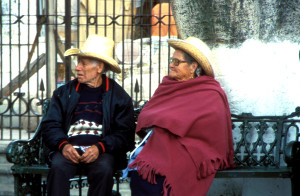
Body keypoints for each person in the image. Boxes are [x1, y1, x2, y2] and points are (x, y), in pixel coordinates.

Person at [128, 37, 235, 196]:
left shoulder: (210, 91)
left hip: (192, 148)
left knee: (161, 177)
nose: (171, 64)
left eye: (177, 62)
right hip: (161, 144)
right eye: (172, 60)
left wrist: (167, 120)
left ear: (193, 67)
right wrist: (167, 121)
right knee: (141, 174)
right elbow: (147, 114)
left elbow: (212, 126)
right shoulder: (167, 86)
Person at [41, 35, 136, 196]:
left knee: (104, 169)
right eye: (78, 63)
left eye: (83, 64)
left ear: (99, 67)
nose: (77, 68)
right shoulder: (64, 93)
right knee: (58, 168)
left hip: (100, 151)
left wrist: (101, 147)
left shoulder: (119, 96)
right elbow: (50, 125)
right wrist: (63, 145)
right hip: (68, 149)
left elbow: (124, 134)